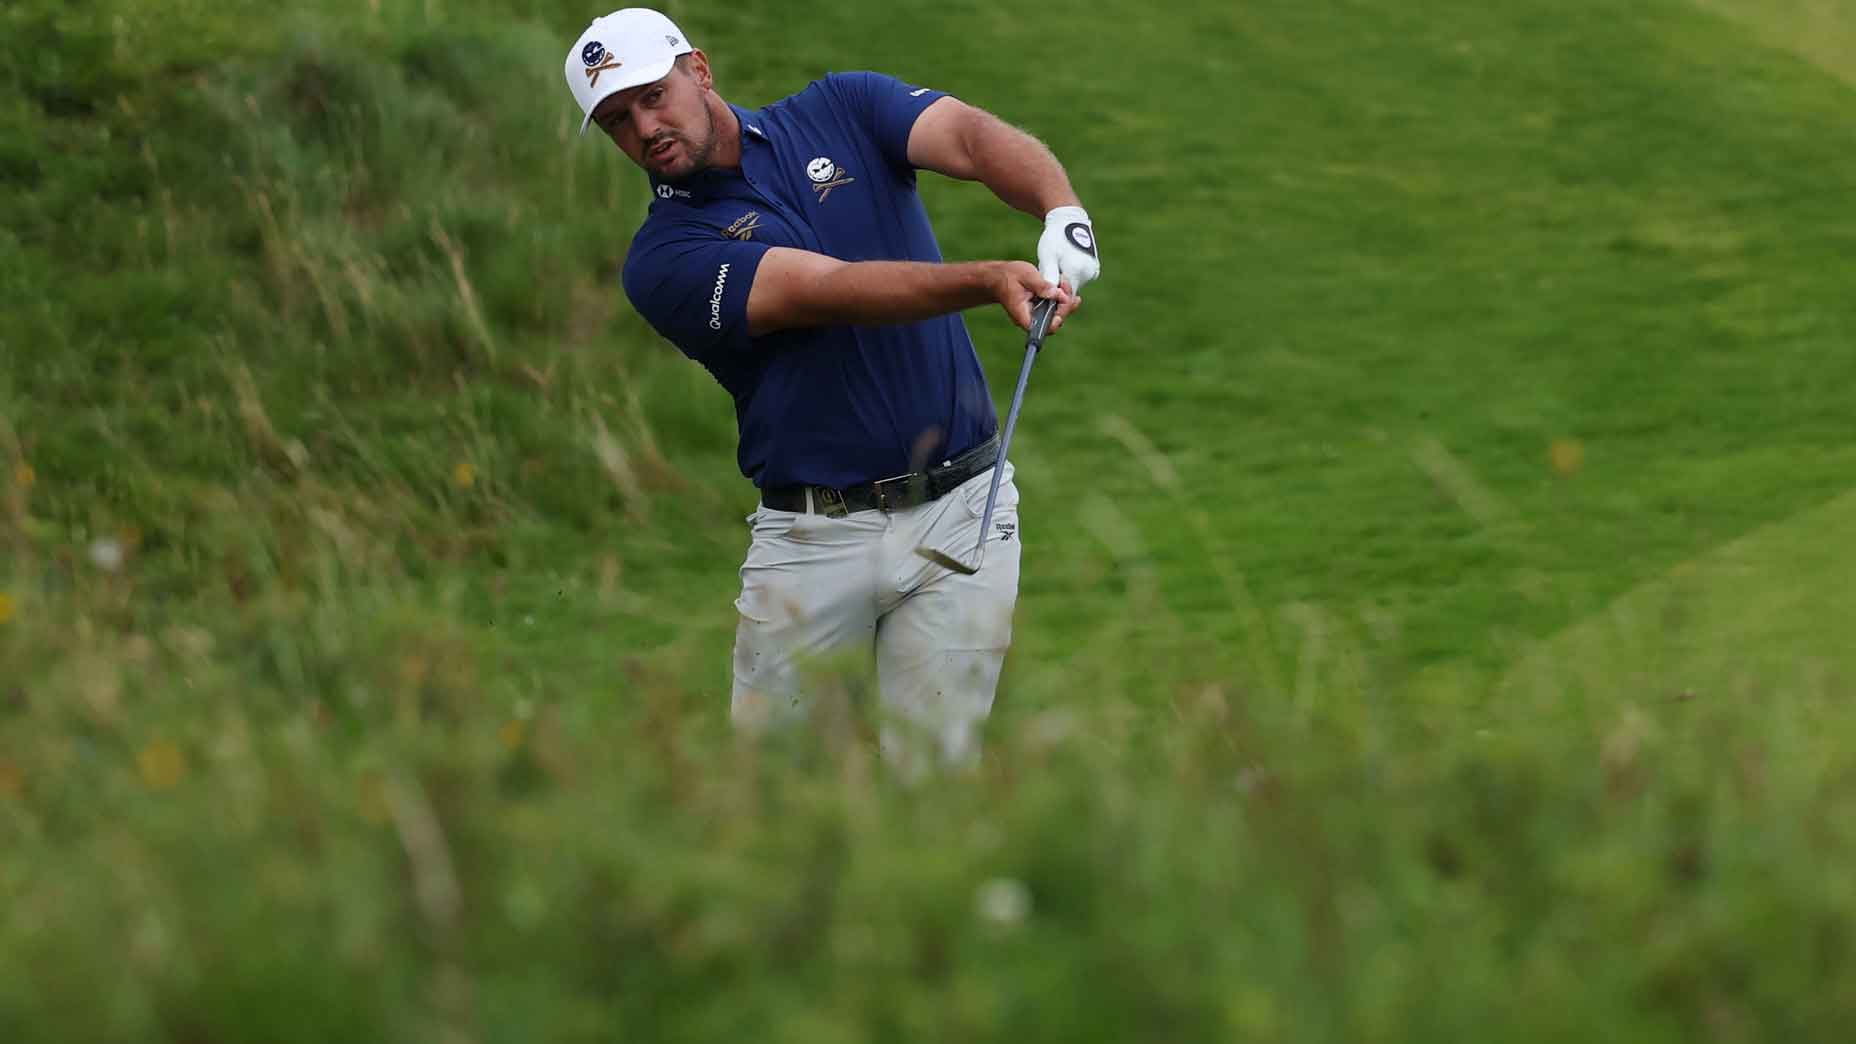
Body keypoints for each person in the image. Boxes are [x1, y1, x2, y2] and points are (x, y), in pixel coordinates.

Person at [564, 8, 1101, 767]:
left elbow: (970, 138)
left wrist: (1063, 211)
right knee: (776, 802)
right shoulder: (662, 260)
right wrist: (986, 279)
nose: (644, 127)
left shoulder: (842, 108)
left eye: (653, 96)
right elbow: (823, 291)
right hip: (813, 542)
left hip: (962, 511)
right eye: (618, 120)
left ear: (699, 70)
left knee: (936, 784)